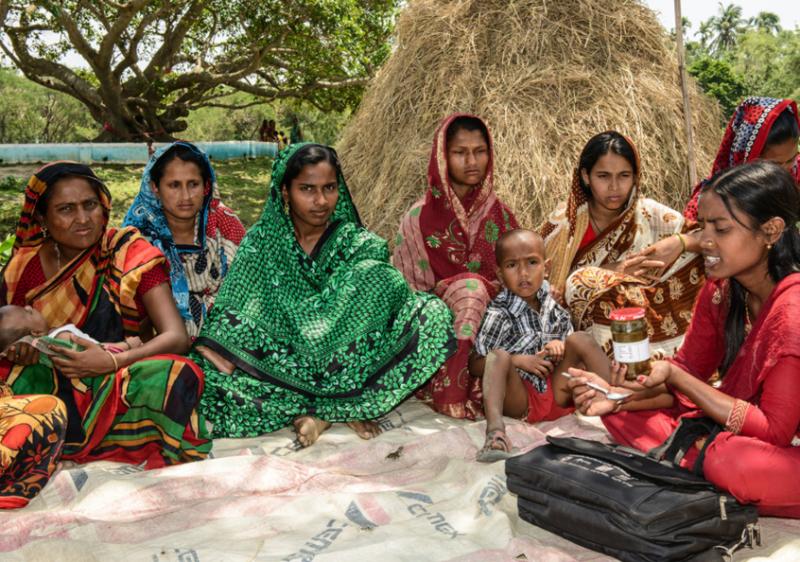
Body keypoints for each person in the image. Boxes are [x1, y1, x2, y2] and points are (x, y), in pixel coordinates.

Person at [567, 161, 800, 517]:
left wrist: (675, 378)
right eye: (702, 226)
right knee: (618, 416)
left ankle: (697, 456)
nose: (704, 241)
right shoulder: (721, 289)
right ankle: (697, 454)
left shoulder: (793, 310)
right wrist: (618, 398)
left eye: (720, 229)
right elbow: (688, 369)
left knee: (732, 462)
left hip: (777, 447)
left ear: (771, 231)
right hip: (738, 434)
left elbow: (773, 431)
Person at [192, 143, 455, 447]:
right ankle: (344, 406)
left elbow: (385, 303)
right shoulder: (262, 242)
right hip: (285, 362)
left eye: (329, 188)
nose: (321, 200)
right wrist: (233, 350)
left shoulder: (357, 243)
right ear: (286, 191)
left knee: (425, 311)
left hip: (349, 364)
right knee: (205, 378)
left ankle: (325, 410)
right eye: (307, 189)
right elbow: (233, 316)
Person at [0, 162, 210, 468]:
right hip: (49, 381)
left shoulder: (128, 252)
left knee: (178, 374)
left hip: (119, 379)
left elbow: (176, 337)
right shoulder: (23, 267)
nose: (83, 219)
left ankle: (52, 439)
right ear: (43, 218)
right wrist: (18, 352)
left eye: (90, 205)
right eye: (66, 209)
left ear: (104, 206)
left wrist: (111, 360)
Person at [393, 114, 519, 419]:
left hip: (493, 320)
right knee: (470, 291)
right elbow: (406, 293)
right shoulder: (418, 218)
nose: (471, 160)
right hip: (441, 322)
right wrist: (460, 295)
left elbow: (515, 274)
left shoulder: (500, 215)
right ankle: (450, 391)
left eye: (480, 151)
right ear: (442, 157)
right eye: (460, 153)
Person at [540, 131, 704, 358]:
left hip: (651, 318)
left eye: (624, 175)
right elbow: (544, 284)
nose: (614, 187)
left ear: (635, 177)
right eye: (604, 176)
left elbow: (711, 239)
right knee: (582, 282)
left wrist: (678, 243)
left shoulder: (650, 214)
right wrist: (612, 272)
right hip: (581, 333)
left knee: (702, 258)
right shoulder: (564, 225)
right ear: (586, 176)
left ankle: (674, 354)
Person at [469, 229, 610, 462]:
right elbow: (475, 364)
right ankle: (495, 434)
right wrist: (517, 360)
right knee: (499, 356)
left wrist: (560, 345)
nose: (524, 273)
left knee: (580, 339)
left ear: (547, 267)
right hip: (521, 400)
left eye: (532, 263)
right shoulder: (499, 312)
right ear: (500, 273)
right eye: (512, 265)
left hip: (557, 393)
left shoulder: (553, 307)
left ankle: (617, 400)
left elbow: (571, 351)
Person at [124, 142, 246, 338]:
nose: (186, 196)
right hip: (157, 345)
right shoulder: (140, 237)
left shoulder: (224, 224)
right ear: (155, 187)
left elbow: (247, 292)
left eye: (193, 184)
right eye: (174, 185)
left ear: (206, 186)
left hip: (228, 341)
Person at [684, 97, 800, 221]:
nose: (785, 170)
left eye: (791, 159)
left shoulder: (796, 172)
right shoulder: (711, 203)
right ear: (748, 157)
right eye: (775, 165)